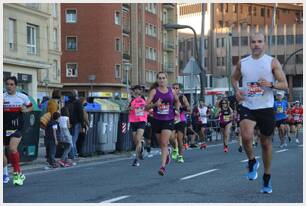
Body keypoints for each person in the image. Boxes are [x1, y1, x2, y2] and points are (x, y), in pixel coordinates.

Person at [231, 32, 288, 194]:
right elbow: (234, 78)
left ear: (265, 44)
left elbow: (284, 85)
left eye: (259, 41)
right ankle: (251, 161)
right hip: (248, 105)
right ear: (250, 44)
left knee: (265, 143)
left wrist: (271, 84)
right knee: (247, 136)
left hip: (266, 107)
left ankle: (267, 177)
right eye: (253, 42)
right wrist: (237, 90)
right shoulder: (243, 63)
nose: (256, 44)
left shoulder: (272, 62)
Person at [146, 72, 180, 176]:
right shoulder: (154, 92)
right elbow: (146, 107)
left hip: (168, 119)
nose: (161, 80)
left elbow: (177, 101)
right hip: (157, 120)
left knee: (164, 142)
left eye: (163, 78)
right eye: (159, 78)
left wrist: (177, 109)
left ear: (166, 79)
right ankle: (167, 155)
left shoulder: (171, 91)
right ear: (157, 80)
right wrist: (155, 104)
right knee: (161, 143)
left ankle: (162, 167)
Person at [3, 76, 33, 186]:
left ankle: (16, 173)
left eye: (11, 84)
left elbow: (31, 107)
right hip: (3, 129)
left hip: (16, 128)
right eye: (7, 84)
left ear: (16, 86)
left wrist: (26, 110)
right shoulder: (2, 97)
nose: (9, 86)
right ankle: (5, 173)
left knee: (12, 148)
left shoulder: (22, 97)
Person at [170, 83, 190, 163]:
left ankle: (181, 156)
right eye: (173, 88)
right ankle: (175, 148)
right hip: (171, 119)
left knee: (180, 139)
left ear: (179, 89)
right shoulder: (169, 97)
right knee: (171, 138)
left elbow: (188, 107)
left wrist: (183, 107)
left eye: (176, 88)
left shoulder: (182, 97)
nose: (175, 89)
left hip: (180, 120)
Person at [128, 85, 148, 167]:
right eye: (135, 89)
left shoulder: (144, 99)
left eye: (138, 90)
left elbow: (148, 108)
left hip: (141, 121)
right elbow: (127, 109)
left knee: (138, 139)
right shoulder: (131, 100)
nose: (137, 91)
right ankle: (142, 146)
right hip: (133, 121)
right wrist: (130, 108)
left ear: (141, 91)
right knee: (136, 141)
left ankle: (135, 160)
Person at [67, 90, 84, 159]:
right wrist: (82, 125)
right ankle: (72, 155)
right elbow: (81, 114)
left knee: (72, 139)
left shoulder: (68, 102)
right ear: (76, 95)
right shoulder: (78, 102)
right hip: (76, 123)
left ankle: (75, 154)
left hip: (69, 122)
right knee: (73, 140)